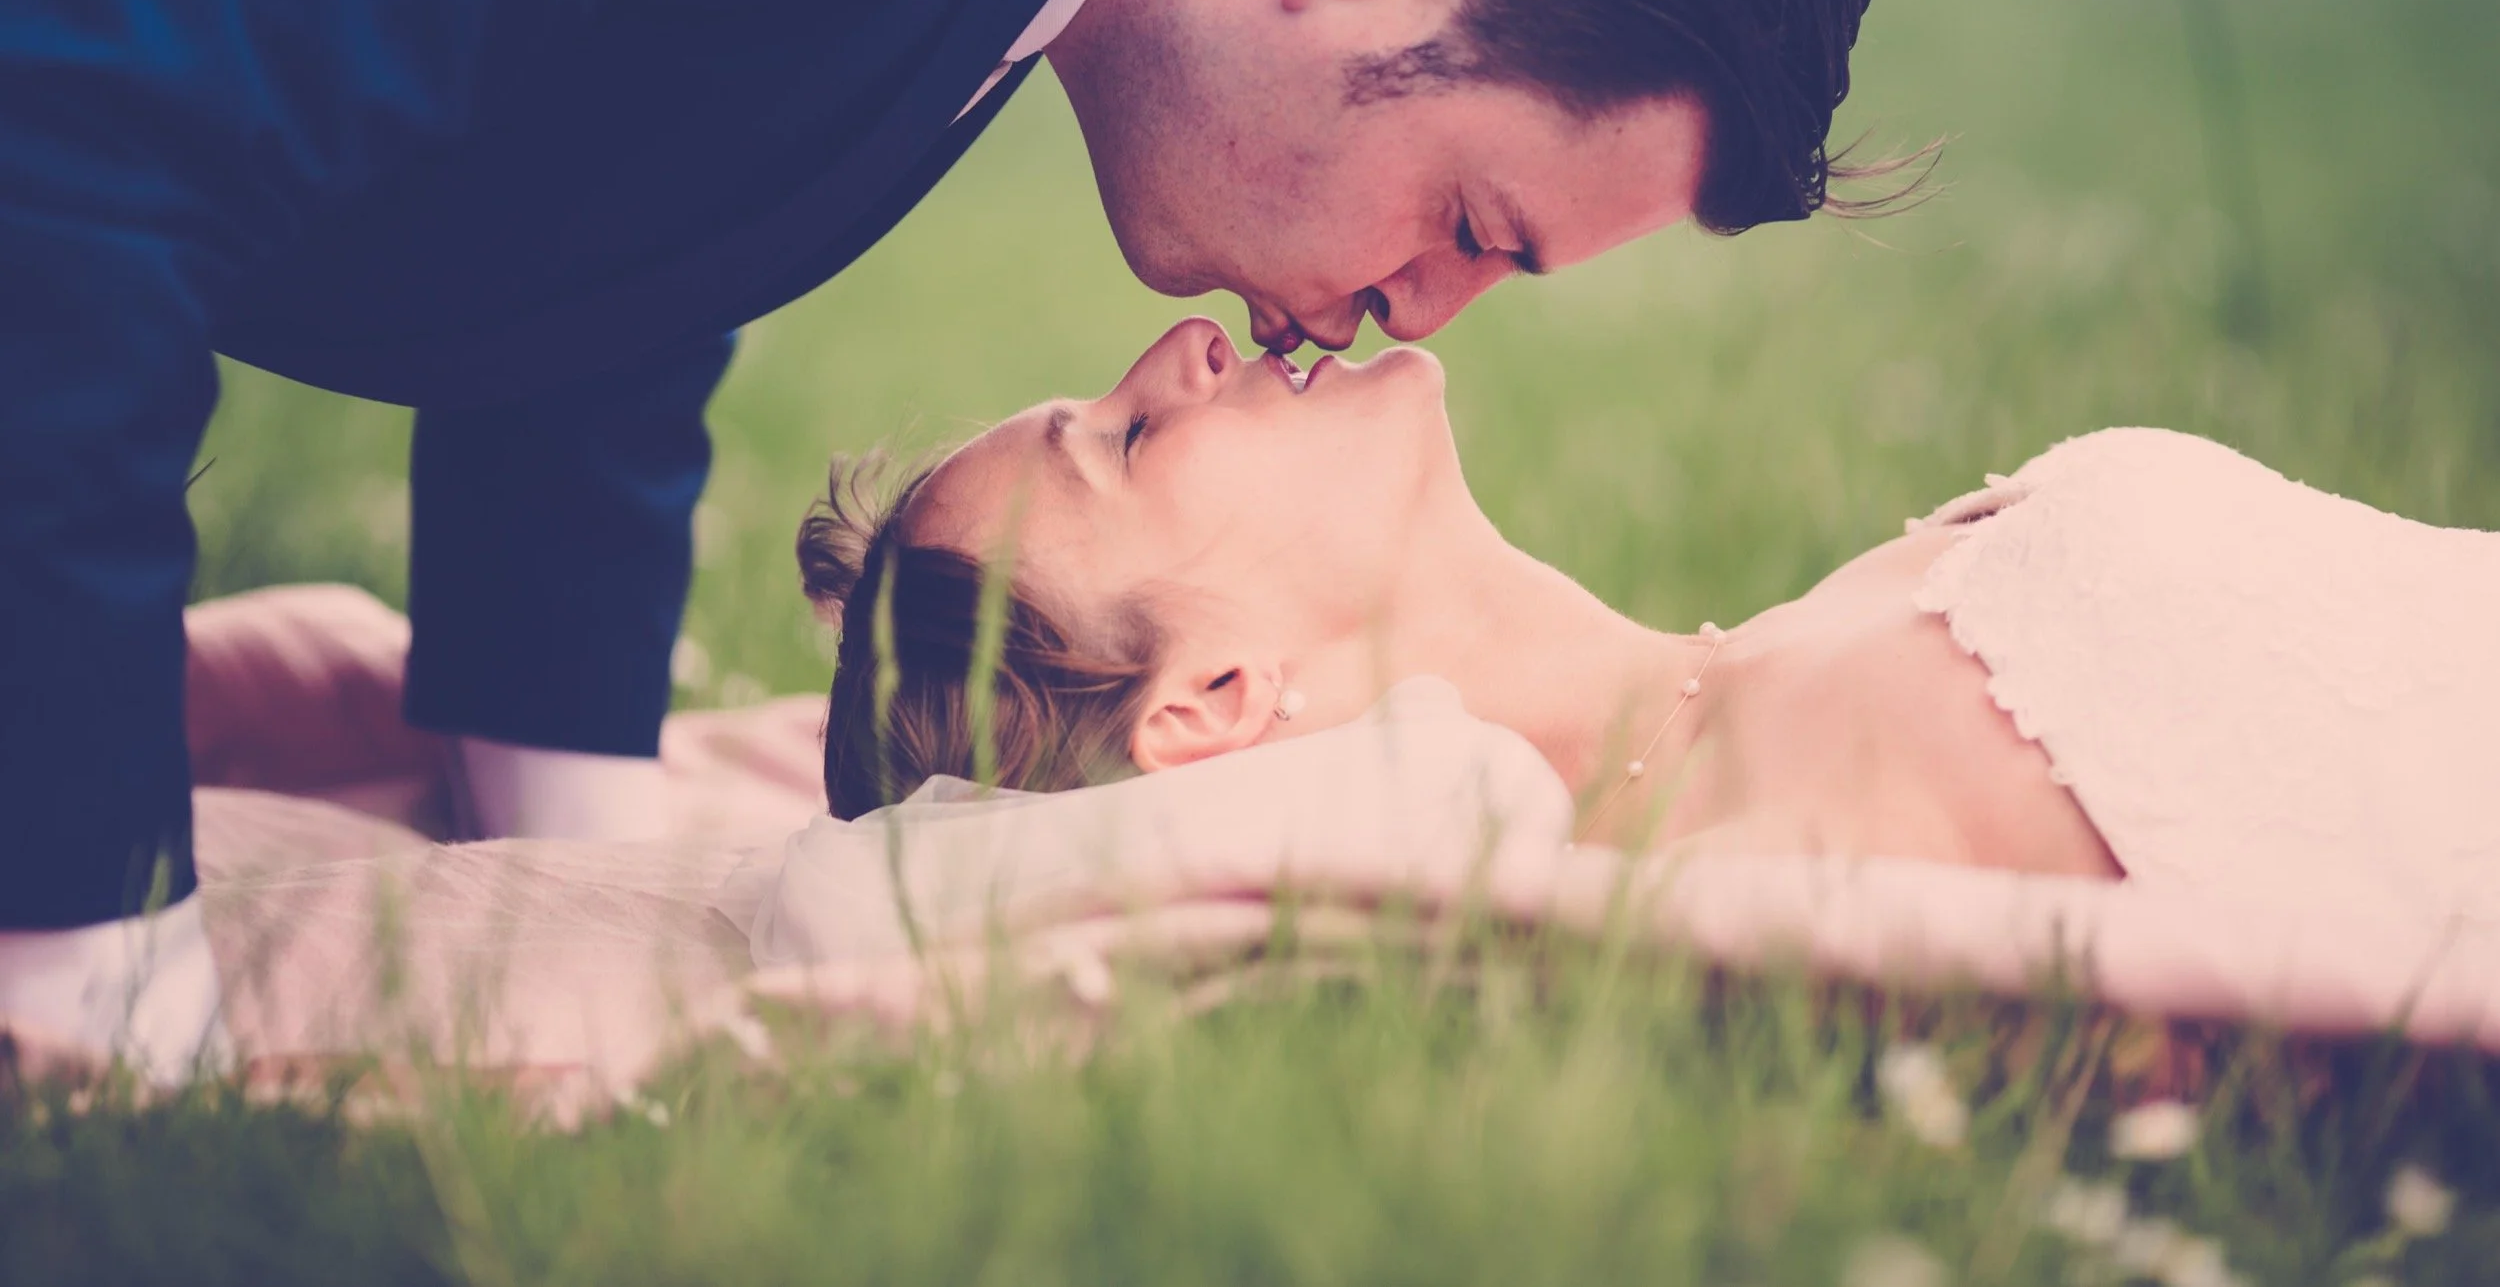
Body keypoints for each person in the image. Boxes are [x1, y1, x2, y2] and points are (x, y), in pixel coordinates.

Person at [0, 0, 1891, 1073]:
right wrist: (91, 962)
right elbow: (78, 147)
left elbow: (619, 159)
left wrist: (558, 815)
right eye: (1469, 227)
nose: (1418, 322)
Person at [800, 318, 2500, 923]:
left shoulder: (1791, 642)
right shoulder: (1760, 886)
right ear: (1216, 699)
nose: (1186, 339)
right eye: (1127, 439)